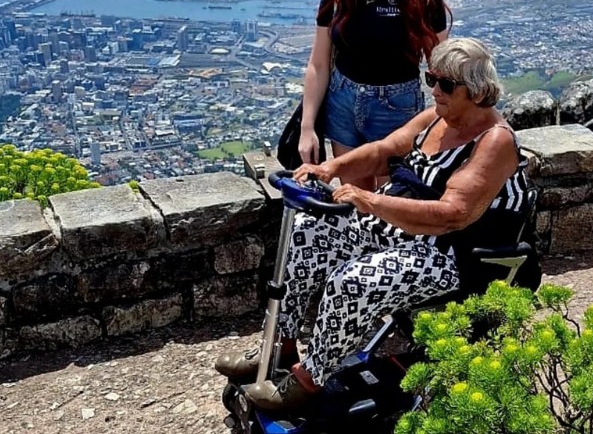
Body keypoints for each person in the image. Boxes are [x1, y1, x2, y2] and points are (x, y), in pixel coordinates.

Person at [219, 39, 532, 413]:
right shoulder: (437, 118)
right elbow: (384, 149)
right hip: (400, 233)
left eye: (446, 85)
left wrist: (370, 201)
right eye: (431, 78)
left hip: (453, 254)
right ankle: (278, 347)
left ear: (478, 92)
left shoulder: (493, 141)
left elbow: (453, 214)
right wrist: (330, 169)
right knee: (306, 230)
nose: (434, 90)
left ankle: (310, 380)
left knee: (353, 281)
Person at [299, 0, 451, 187]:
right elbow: (318, 63)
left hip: (397, 109)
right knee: (353, 198)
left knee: (389, 206)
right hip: (342, 103)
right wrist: (308, 127)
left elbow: (443, 68)